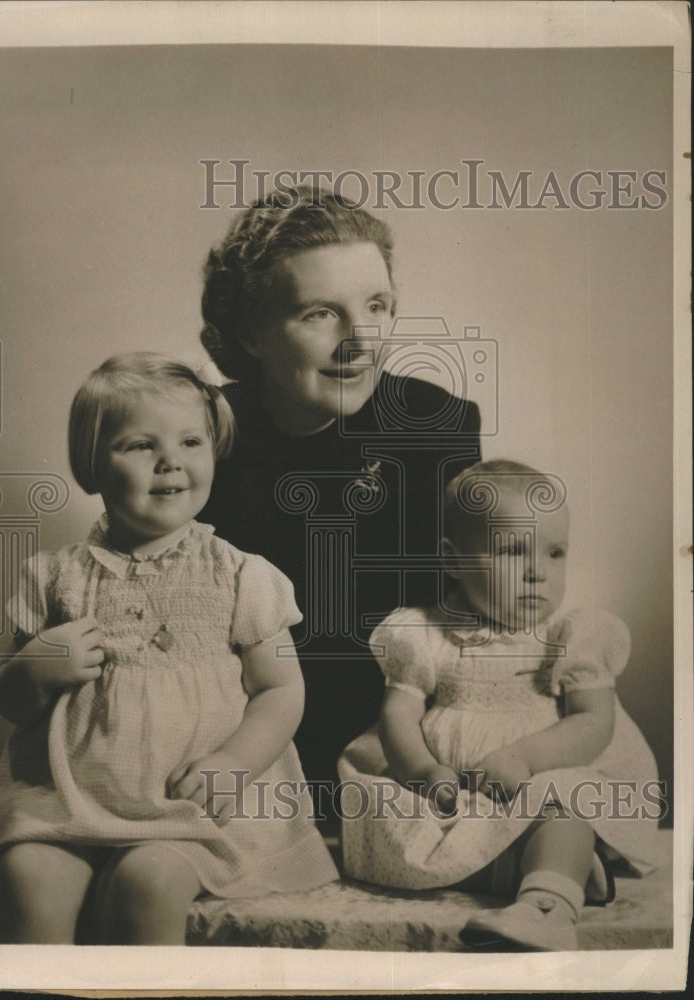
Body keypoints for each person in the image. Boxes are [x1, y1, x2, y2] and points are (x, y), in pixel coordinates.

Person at [0, 352, 337, 944]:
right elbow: (10, 699)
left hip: (197, 810)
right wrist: (33, 667)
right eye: (139, 445)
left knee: (147, 883)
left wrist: (235, 765)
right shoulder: (54, 577)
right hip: (68, 801)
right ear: (92, 466)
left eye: (190, 442)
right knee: (31, 877)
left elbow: (281, 690)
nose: (170, 462)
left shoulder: (241, 575)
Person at [200, 185, 481, 809]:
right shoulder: (200, 435)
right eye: (319, 313)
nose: (360, 341)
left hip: (401, 736)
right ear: (249, 332)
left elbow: (461, 623)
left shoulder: (437, 424)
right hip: (242, 740)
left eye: (376, 306)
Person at [338, 460, 660, 951]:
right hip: (452, 792)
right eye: (513, 551)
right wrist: (422, 770)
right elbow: (397, 715)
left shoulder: (571, 635)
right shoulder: (425, 633)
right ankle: (552, 869)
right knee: (390, 817)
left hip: (539, 779)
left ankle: (546, 908)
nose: (537, 573)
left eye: (555, 553)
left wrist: (524, 759)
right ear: (454, 560)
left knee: (566, 804)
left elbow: (594, 722)